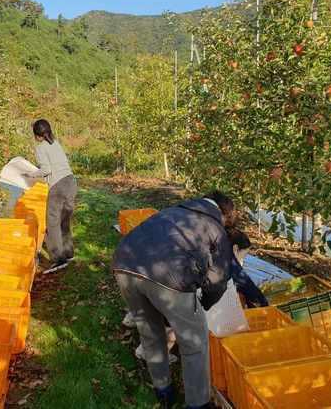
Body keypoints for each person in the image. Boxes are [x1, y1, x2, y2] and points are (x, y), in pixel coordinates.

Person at [112, 192, 267, 409]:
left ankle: (163, 390)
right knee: (195, 343)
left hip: (123, 265)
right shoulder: (214, 227)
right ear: (224, 213)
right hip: (168, 277)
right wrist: (202, 305)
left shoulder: (172, 212)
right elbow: (218, 279)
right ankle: (198, 403)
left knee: (150, 331)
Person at [27, 119, 77, 273]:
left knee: (52, 223)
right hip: (71, 182)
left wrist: (31, 174)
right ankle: (68, 254)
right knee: (64, 221)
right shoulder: (55, 143)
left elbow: (47, 170)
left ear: (38, 135)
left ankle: (58, 259)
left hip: (58, 187)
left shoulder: (41, 147)